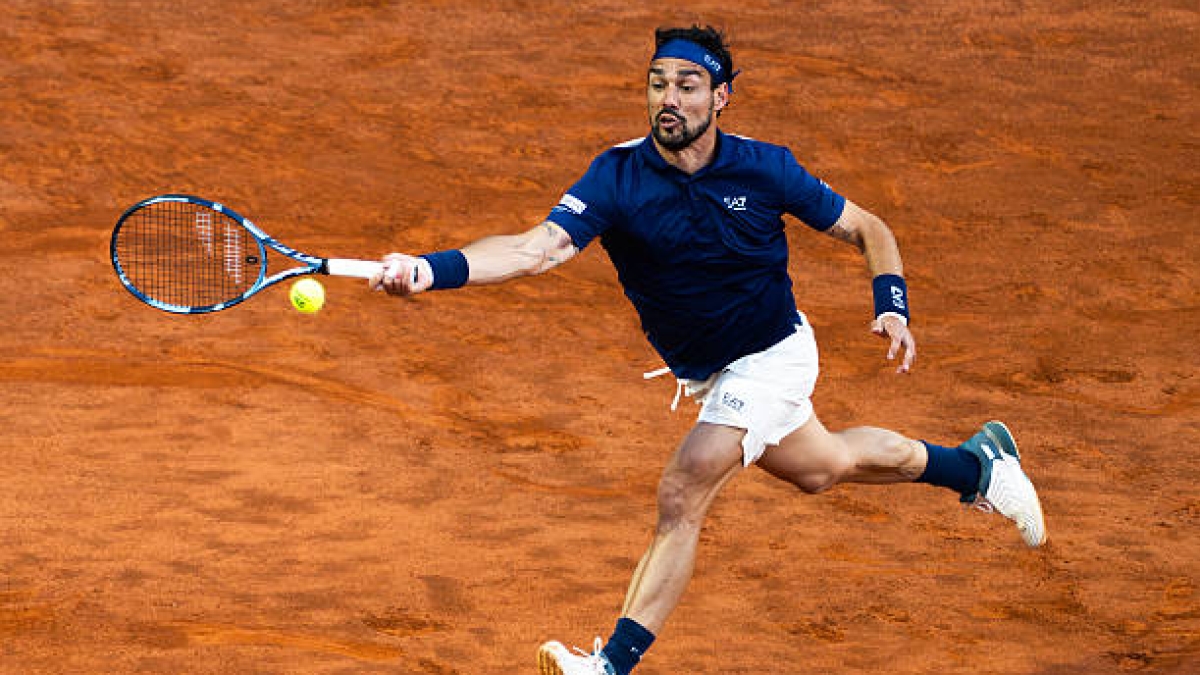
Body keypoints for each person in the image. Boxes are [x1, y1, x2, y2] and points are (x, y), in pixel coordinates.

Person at [371, 24, 1047, 675]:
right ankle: (976, 466)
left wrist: (891, 304)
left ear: (720, 96)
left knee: (684, 486)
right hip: (708, 369)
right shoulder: (616, 175)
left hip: (774, 353)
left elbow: (868, 227)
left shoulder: (765, 168)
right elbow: (531, 249)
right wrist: (430, 270)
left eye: (688, 86)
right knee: (824, 465)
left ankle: (609, 663)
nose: (670, 98)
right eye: (658, 84)